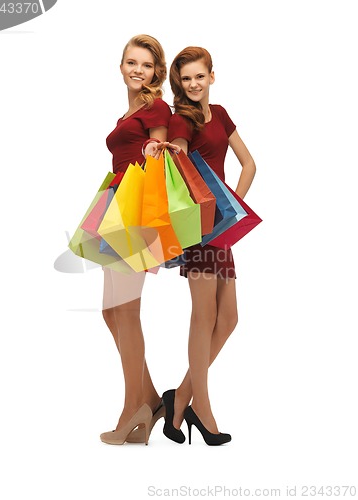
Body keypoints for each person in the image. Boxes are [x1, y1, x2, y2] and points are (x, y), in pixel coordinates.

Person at [163, 46, 257, 445]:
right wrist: (171, 149)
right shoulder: (181, 120)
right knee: (204, 317)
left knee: (229, 318)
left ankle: (180, 397)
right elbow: (179, 164)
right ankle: (202, 406)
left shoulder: (219, 114)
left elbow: (249, 163)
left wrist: (232, 203)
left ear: (212, 77)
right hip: (199, 230)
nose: (194, 84)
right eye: (186, 79)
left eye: (199, 76)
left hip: (223, 226)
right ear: (179, 84)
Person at [99, 34, 171, 445]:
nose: (137, 70)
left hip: (136, 210)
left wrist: (152, 147)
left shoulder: (155, 107)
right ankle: (148, 399)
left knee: (126, 312)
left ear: (155, 72)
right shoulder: (129, 111)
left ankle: (133, 409)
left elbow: (157, 152)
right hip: (114, 205)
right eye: (131, 62)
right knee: (110, 313)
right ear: (121, 66)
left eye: (145, 65)